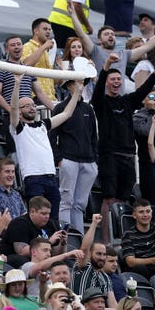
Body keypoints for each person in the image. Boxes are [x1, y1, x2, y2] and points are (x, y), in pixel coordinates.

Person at [92, 53, 155, 243]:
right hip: (109, 156)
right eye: (112, 79)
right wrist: (106, 65)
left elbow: (144, 90)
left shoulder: (126, 101)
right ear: (107, 82)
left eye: (118, 79)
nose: (116, 82)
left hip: (128, 156)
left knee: (123, 199)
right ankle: (107, 242)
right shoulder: (101, 102)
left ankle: (122, 240)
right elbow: (97, 91)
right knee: (109, 199)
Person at [10, 75, 82, 219]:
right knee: (37, 219)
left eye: (33, 105)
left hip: (51, 178)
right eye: (27, 106)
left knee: (54, 219)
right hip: (33, 179)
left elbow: (67, 114)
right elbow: (13, 108)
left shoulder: (43, 125)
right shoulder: (18, 128)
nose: (32, 108)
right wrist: (17, 85)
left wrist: (77, 92)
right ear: (20, 109)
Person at [64, 0, 155, 80]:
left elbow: (147, 47)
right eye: (106, 34)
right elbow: (81, 34)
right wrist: (72, 12)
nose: (110, 36)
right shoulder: (95, 51)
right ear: (99, 40)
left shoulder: (124, 54)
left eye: (112, 34)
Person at [50, 77, 98, 233]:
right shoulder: (60, 108)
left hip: (88, 161)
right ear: (69, 86)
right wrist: (59, 159)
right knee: (67, 201)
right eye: (77, 82)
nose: (81, 85)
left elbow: (93, 137)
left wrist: (94, 160)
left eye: (82, 82)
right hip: (69, 159)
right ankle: (65, 238)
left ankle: (78, 237)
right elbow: (52, 136)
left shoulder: (88, 109)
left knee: (79, 204)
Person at [0, 35, 55, 115]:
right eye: (13, 45)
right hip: (11, 116)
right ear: (7, 50)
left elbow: (40, 93)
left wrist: (56, 110)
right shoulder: (1, 66)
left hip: (29, 115)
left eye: (19, 44)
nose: (16, 47)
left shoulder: (28, 69)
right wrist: (11, 111)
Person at [0, 196, 64, 268]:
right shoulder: (19, 223)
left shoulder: (50, 224)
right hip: (8, 260)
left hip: (37, 260)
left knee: (61, 263)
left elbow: (55, 254)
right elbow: (21, 251)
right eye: (43, 214)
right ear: (32, 211)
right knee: (25, 261)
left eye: (48, 213)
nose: (47, 216)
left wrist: (62, 243)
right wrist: (49, 242)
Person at [71, 214, 117, 307]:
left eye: (104, 255)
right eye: (98, 254)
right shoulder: (83, 267)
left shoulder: (105, 277)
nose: (102, 257)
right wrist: (94, 224)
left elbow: (113, 305)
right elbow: (84, 248)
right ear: (89, 254)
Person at [22, 18, 57, 102]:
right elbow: (26, 64)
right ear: (36, 31)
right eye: (45, 29)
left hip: (50, 98)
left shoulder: (46, 51)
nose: (48, 32)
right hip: (35, 97)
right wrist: (44, 46)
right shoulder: (27, 46)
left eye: (49, 29)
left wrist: (63, 71)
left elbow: (52, 79)